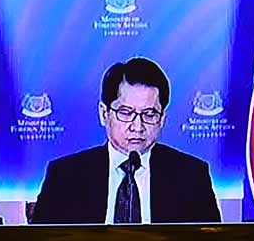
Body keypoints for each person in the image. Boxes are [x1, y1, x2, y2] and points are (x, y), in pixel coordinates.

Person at [27, 58, 221, 225]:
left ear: (162, 119)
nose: (137, 126)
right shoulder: (65, 176)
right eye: (126, 113)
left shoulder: (191, 175)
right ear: (104, 113)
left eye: (149, 114)